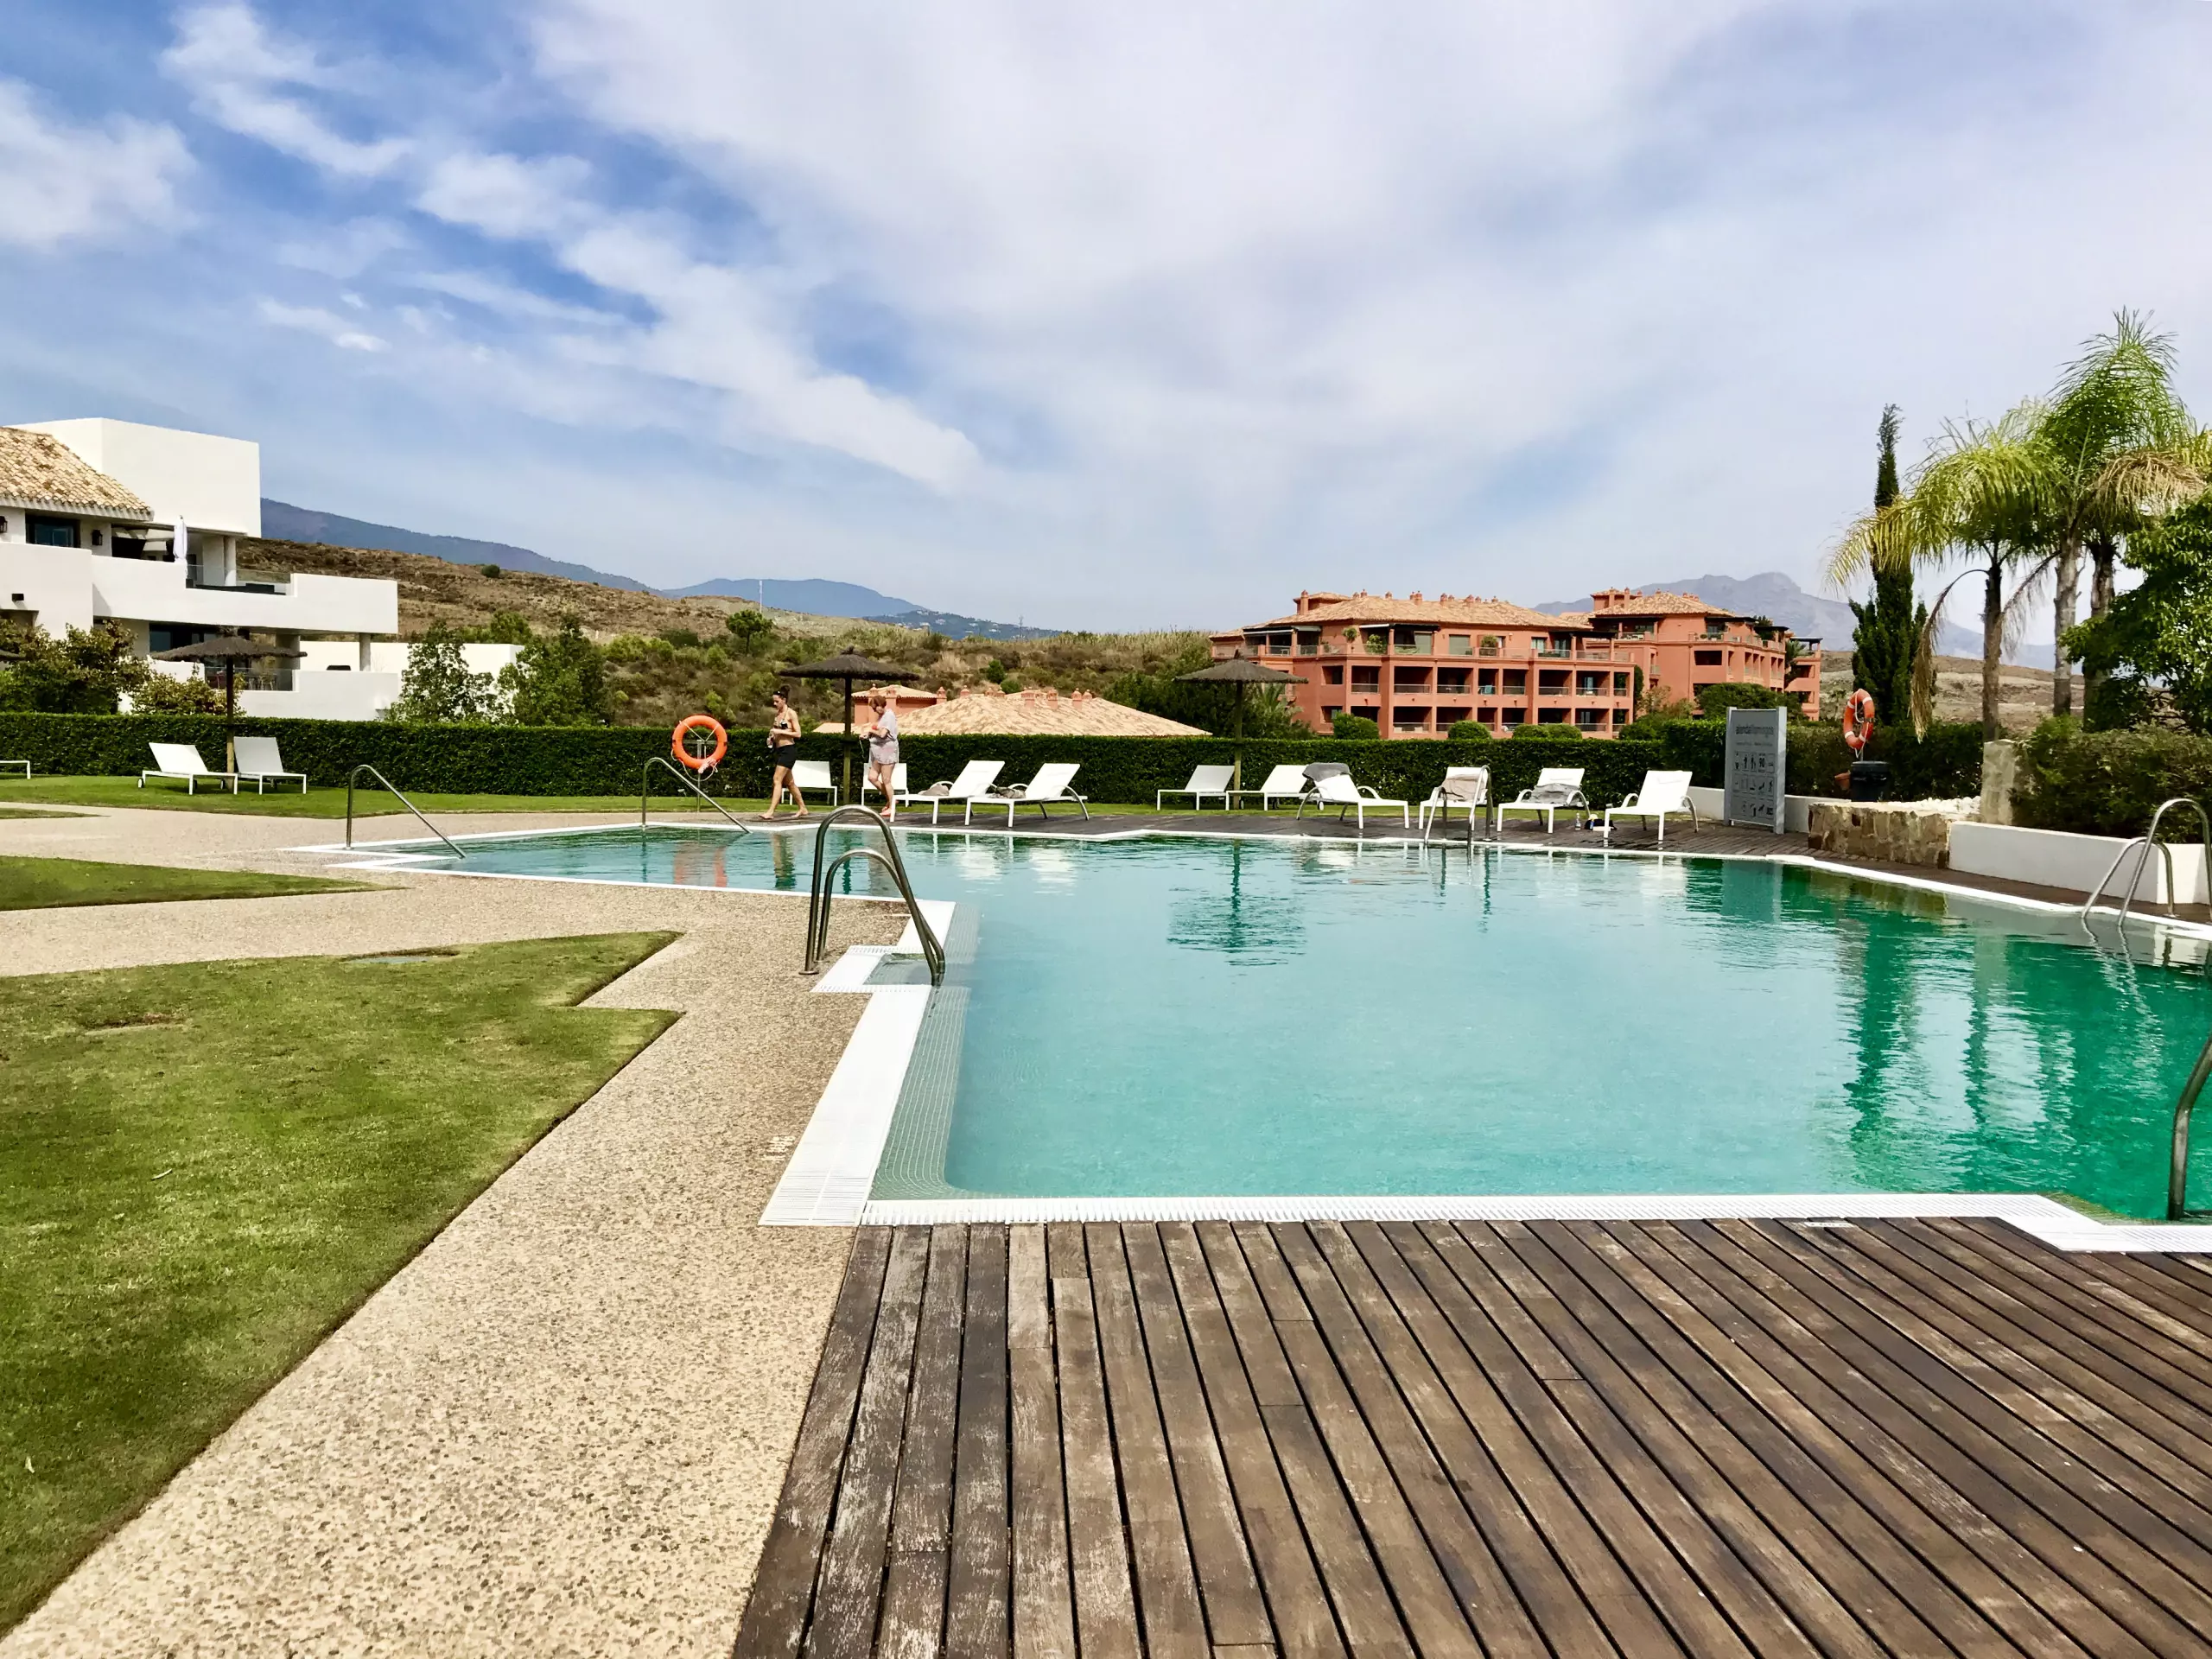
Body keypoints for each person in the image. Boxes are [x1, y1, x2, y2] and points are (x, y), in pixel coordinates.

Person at [762, 690, 807, 819]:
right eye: (774, 701)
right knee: (790, 783)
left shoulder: (791, 713)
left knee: (777, 779)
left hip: (789, 750)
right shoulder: (778, 715)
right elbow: (777, 732)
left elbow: (798, 734)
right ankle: (803, 808)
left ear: (784, 700)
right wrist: (772, 738)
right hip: (780, 750)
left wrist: (780, 732)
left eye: (777, 701)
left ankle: (770, 812)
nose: (774, 704)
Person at [865, 689, 900, 820]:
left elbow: (883, 734)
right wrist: (868, 735)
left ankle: (892, 806)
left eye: (875, 708)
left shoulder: (889, 716)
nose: (874, 710)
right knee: (872, 777)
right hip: (878, 752)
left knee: (886, 780)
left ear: (880, 705)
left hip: (887, 751)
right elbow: (877, 732)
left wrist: (871, 731)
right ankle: (892, 800)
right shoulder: (881, 717)